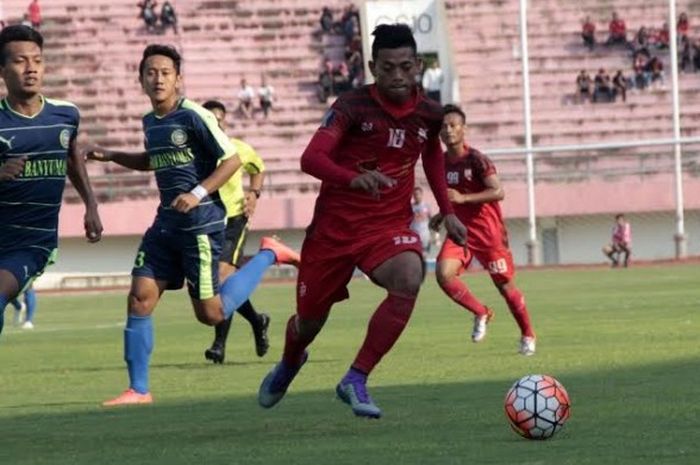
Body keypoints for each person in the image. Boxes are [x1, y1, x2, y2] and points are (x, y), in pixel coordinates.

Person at [257, 24, 467, 419]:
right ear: (373, 66)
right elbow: (311, 158)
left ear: (417, 65)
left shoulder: (430, 114)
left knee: (409, 277)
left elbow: (432, 156)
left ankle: (356, 377)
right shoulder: (350, 107)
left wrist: (449, 211)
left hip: (386, 226)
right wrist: (352, 178)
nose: (398, 76)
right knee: (308, 324)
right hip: (333, 232)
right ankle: (288, 363)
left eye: (406, 66)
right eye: (388, 68)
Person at [89, 44, 299, 406]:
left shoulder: (194, 116)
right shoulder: (150, 121)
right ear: (141, 79)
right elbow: (154, 160)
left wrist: (199, 192)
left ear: (178, 79)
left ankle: (269, 254)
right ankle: (139, 390)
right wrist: (112, 155)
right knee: (139, 298)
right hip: (166, 224)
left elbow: (232, 161)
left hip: (201, 225)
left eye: (165, 73)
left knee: (211, 314)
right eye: (151, 72)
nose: (158, 78)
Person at [0, 25, 103, 338]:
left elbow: (72, 158)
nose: (31, 68)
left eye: (38, 60)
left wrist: (91, 205)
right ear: (2, 70)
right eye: (20, 61)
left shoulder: (65, 115)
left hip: (30, 242)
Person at [431, 104, 535, 355]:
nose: (448, 130)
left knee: (506, 288)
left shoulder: (477, 159)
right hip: (460, 232)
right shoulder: (440, 162)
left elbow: (498, 191)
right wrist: (441, 214)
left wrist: (463, 199)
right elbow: (452, 198)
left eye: (453, 125)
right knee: (443, 274)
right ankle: (481, 312)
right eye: (443, 126)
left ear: (463, 129)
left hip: (489, 233)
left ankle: (528, 334)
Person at [200, 99, 270, 364]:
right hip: (207, 223)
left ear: (224, 121)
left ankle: (219, 345)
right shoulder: (196, 153)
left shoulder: (237, 148)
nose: (216, 123)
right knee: (221, 283)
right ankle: (257, 320)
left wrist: (254, 193)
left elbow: (258, 169)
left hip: (234, 220)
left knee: (220, 278)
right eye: (210, 119)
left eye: (220, 119)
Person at [410, 187, 432, 254]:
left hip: (424, 234)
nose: (416, 196)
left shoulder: (426, 206)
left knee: (424, 253)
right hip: (414, 233)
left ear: (421, 194)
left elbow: (431, 218)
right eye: (414, 195)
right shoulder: (411, 207)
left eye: (418, 194)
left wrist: (431, 233)